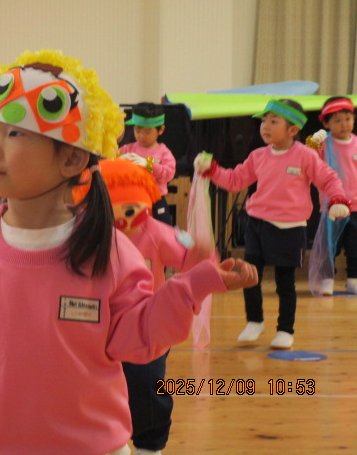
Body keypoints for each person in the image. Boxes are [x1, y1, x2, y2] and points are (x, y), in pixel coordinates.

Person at [0, 49, 257, 455]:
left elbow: (140, 335)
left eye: (15, 133)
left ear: (71, 159)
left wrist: (194, 284)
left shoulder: (107, 249)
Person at [73, 158, 217, 455]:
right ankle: (107, 439)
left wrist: (201, 256)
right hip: (96, 329)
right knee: (95, 388)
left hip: (147, 327)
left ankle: (150, 445)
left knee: (147, 387)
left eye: (131, 211)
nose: (123, 222)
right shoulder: (85, 232)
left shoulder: (155, 232)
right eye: (113, 214)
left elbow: (187, 259)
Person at [194, 98, 350, 350]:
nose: (265, 126)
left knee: (285, 283)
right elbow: (235, 180)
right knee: (249, 276)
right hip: (257, 225)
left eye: (273, 121)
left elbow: (329, 179)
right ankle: (254, 321)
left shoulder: (305, 155)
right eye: (264, 121)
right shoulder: (258, 156)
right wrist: (212, 170)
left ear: (292, 130)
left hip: (290, 229)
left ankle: (285, 330)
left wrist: (338, 199)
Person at [306, 97, 357, 295]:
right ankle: (327, 279)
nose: (344, 124)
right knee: (329, 245)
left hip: (355, 206)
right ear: (326, 124)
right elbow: (308, 159)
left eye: (347, 119)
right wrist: (312, 143)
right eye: (337, 120)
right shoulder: (323, 144)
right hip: (331, 205)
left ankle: (353, 280)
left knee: (354, 245)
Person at [119, 102, 176, 225]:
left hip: (156, 200)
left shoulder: (163, 152)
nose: (141, 136)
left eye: (147, 132)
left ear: (161, 130)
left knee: (163, 228)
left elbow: (169, 174)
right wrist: (119, 159)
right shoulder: (127, 149)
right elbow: (112, 164)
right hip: (133, 199)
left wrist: (148, 165)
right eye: (137, 130)